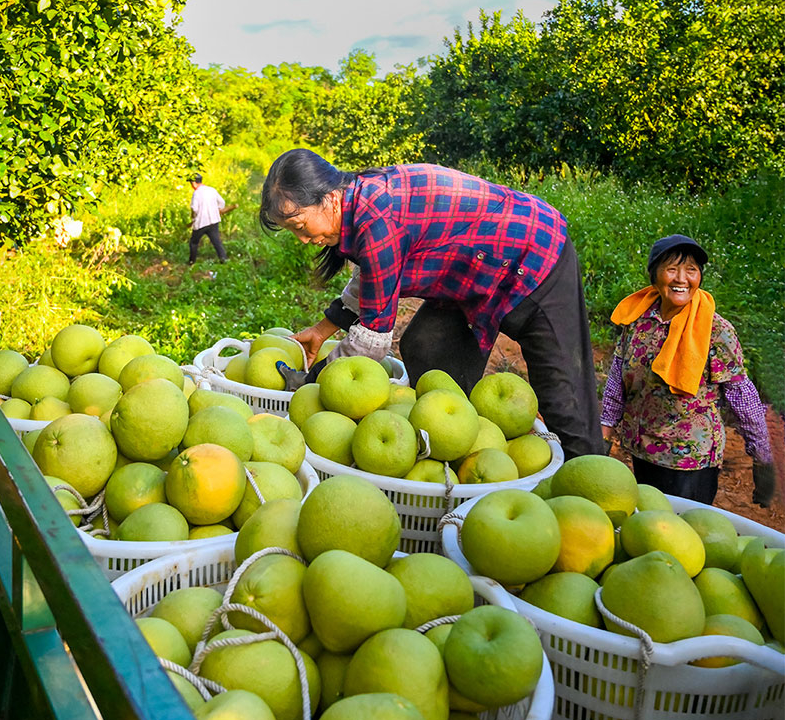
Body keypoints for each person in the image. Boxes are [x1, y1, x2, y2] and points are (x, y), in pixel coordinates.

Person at [258, 148, 604, 459]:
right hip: (469, 271)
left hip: (532, 255)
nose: (303, 240)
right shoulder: (359, 200)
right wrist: (324, 329)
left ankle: (591, 489)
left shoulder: (377, 219)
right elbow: (373, 278)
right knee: (426, 346)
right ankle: (457, 441)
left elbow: (371, 341)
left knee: (563, 398)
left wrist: (312, 383)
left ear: (330, 198)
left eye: (300, 225)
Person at [600, 234, 776, 506]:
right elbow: (617, 378)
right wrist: (605, 430)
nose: (682, 278)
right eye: (672, 269)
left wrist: (762, 458)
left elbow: (742, 396)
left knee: (684, 535)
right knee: (648, 526)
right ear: (654, 275)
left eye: (691, 270)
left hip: (691, 461)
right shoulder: (638, 320)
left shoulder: (715, 331)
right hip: (643, 450)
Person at [188, 174, 235, 265]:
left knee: (194, 242)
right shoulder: (211, 190)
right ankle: (224, 260)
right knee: (216, 242)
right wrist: (217, 210)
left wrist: (193, 217)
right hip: (213, 221)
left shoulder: (197, 193)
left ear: (194, 183)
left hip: (201, 222)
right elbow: (222, 203)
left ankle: (191, 262)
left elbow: (194, 208)